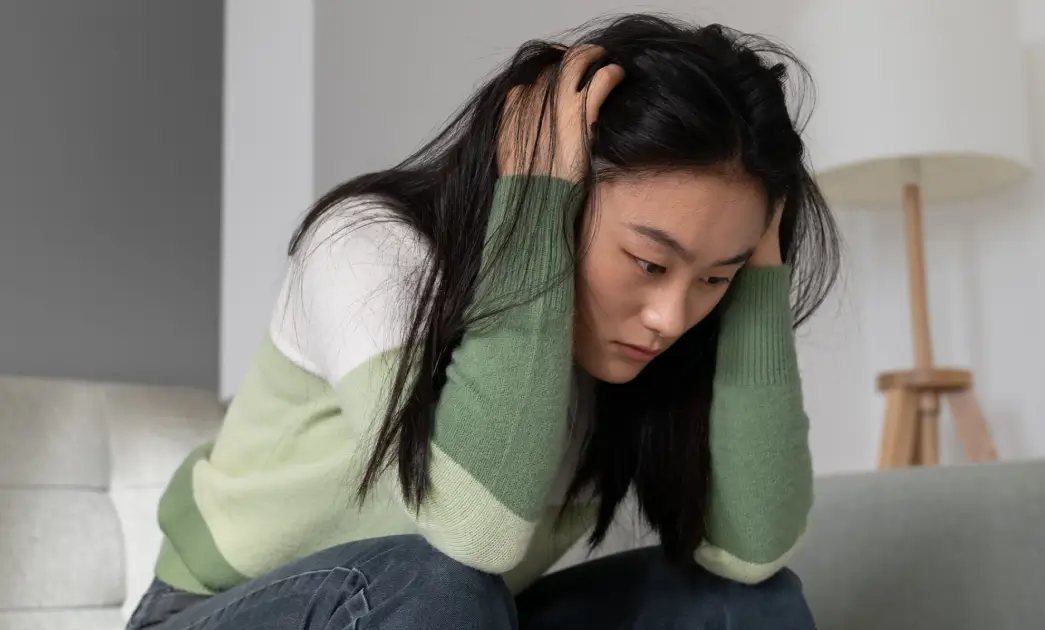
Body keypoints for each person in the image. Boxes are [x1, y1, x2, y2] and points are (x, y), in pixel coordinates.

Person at [127, 13, 839, 630]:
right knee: (438, 578)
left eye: (715, 278)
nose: (669, 319)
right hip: (219, 613)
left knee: (741, 608)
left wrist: (758, 287)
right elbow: (476, 535)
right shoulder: (371, 251)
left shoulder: (636, 357)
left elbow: (751, 552)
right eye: (650, 263)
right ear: (553, 188)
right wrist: (531, 218)